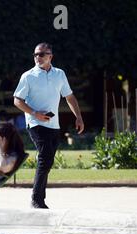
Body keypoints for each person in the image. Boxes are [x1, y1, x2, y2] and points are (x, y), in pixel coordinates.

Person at [13, 42, 84, 209]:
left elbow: (70, 97)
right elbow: (17, 100)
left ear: (50, 56)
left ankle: (39, 198)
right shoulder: (28, 76)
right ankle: (37, 200)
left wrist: (79, 117)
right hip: (36, 123)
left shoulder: (60, 74)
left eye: (42, 54)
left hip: (54, 124)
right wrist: (34, 113)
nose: (38, 57)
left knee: (48, 160)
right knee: (45, 158)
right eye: (36, 54)